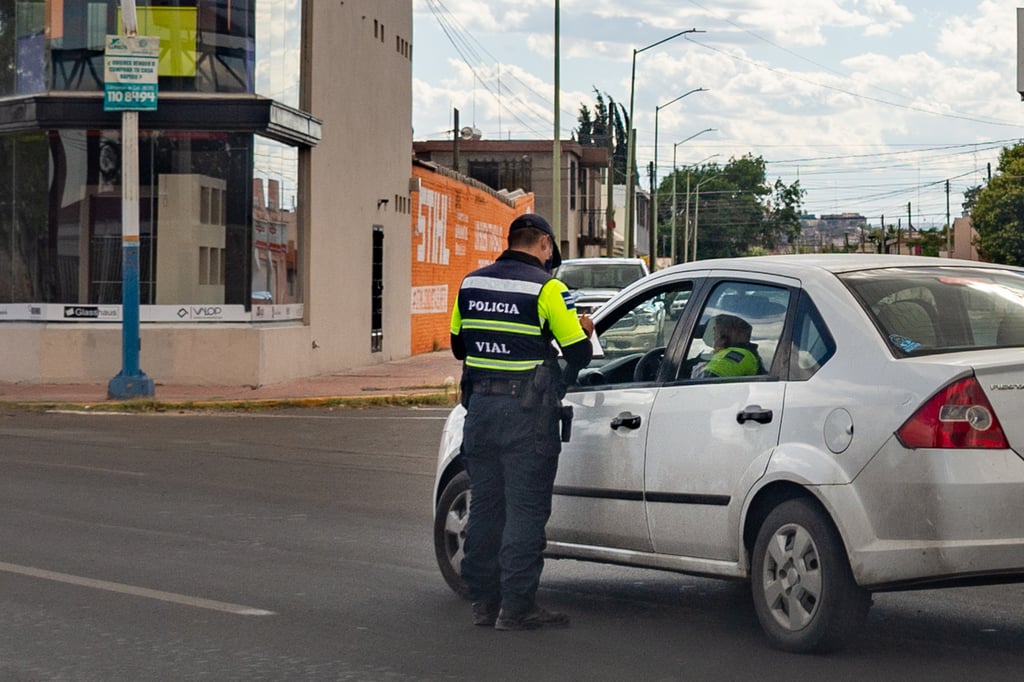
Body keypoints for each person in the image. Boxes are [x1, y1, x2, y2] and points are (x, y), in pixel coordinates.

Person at [449, 213, 594, 631]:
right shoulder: (548, 289)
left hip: (479, 413)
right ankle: (516, 607)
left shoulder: (471, 283)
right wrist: (583, 328)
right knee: (525, 512)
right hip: (527, 416)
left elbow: (460, 347)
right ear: (544, 245)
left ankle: (483, 604)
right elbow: (579, 354)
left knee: (486, 510)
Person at [695, 313, 764, 378]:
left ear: (724, 337)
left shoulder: (737, 354)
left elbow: (707, 381)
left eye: (714, 329)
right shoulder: (723, 353)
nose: (712, 333)